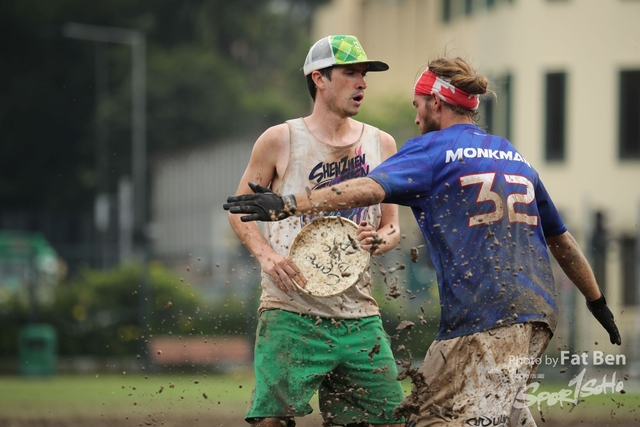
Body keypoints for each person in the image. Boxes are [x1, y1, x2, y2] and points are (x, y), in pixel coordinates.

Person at [225, 56, 622, 427]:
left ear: (436, 102)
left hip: (483, 322)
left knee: (428, 418)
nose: (415, 119)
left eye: (418, 105)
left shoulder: (431, 151)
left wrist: (289, 203)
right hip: (536, 316)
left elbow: (366, 189)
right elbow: (562, 240)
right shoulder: (511, 154)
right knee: (500, 410)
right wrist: (597, 302)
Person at [227, 35, 406, 427]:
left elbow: (393, 225)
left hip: (359, 315)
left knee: (388, 419)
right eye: (350, 73)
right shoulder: (280, 139)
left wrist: (380, 241)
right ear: (318, 78)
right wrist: (267, 255)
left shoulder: (382, 143)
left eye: (364, 74)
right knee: (270, 420)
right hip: (291, 310)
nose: (362, 83)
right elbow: (239, 212)